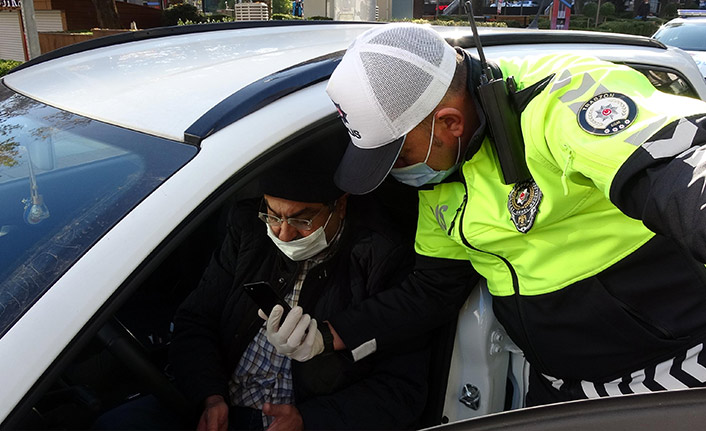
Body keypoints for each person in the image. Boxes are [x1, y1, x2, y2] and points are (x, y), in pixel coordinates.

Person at [264, 22, 706, 408]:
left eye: (398, 155)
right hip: (555, 380)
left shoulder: (563, 98)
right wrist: (328, 334)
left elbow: (675, 166)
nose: (395, 173)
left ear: (450, 123)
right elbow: (433, 289)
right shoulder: (439, 176)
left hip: (669, 368)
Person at [167, 137, 428, 431]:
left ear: (340, 205)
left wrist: (310, 420)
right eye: (273, 216)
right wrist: (210, 396)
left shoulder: (381, 258)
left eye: (302, 221)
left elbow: (401, 388)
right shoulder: (248, 230)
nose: (284, 234)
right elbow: (196, 320)